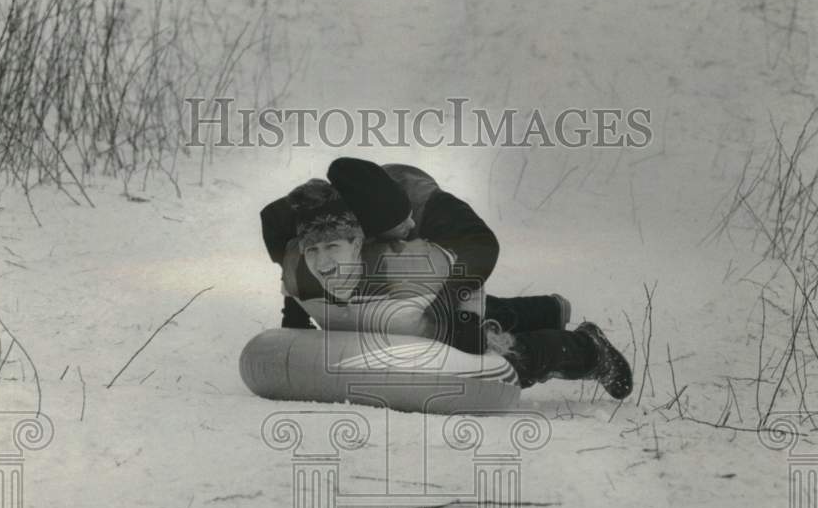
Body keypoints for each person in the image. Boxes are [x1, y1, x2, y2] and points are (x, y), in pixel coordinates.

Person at [277, 179, 633, 399]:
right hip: (403, 259)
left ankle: (588, 349)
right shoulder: (300, 266)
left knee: (475, 344)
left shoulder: (405, 262)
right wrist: (295, 324)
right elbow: (295, 284)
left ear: (357, 244)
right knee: (414, 317)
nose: (322, 263)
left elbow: (467, 273)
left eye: (333, 248)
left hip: (444, 233)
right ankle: (546, 310)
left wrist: (464, 327)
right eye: (313, 250)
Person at [260, 157, 571, 335]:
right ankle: (549, 309)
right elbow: (288, 243)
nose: (408, 225)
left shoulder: (432, 209)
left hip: (443, 234)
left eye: (409, 220)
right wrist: (297, 307)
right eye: (401, 224)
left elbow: (483, 247)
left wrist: (450, 304)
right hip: (371, 226)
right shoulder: (326, 210)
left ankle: (546, 311)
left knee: (440, 305)